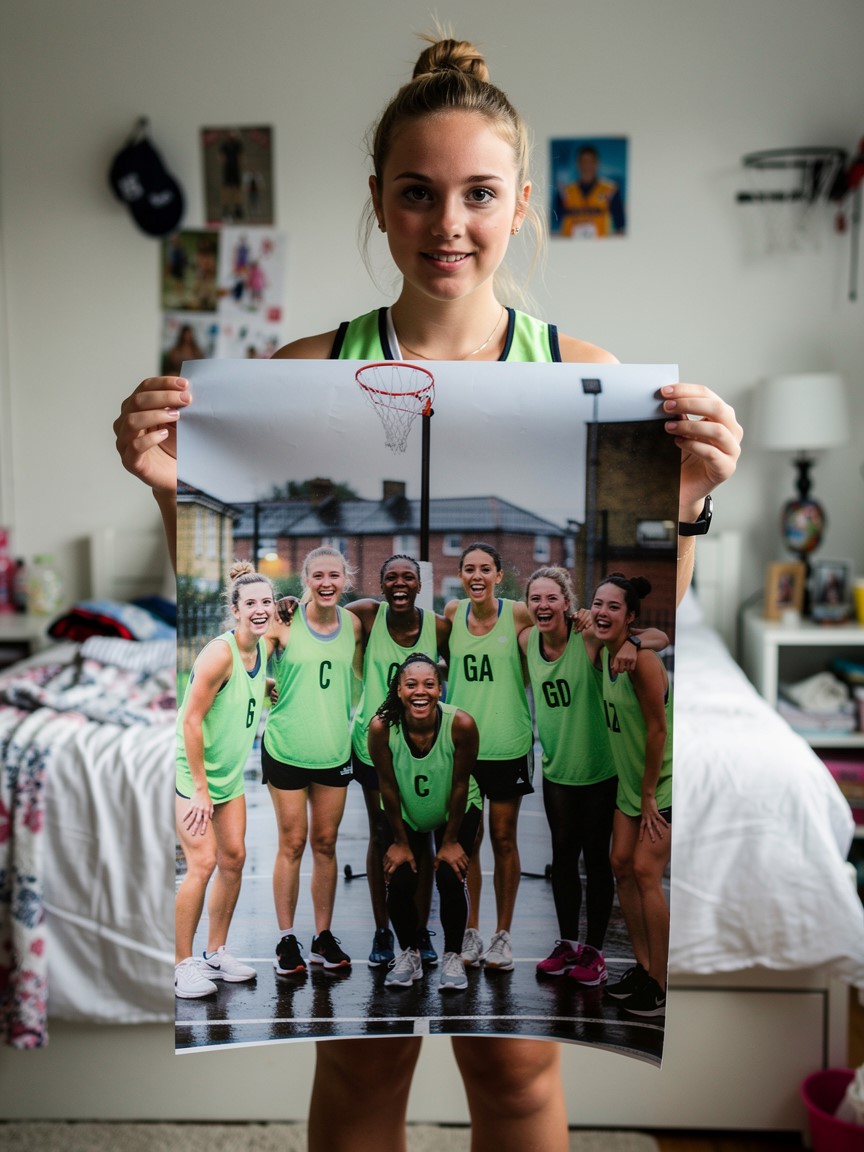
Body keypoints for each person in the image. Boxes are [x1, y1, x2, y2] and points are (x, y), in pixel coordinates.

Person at [115, 32, 741, 1152]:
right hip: (377, 762)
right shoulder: (302, 375)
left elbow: (641, 616)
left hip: (488, 752)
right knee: (361, 1072)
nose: (448, 223)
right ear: (379, 202)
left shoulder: (586, 374)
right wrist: (174, 487)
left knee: (516, 1078)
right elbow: (224, 583)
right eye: (418, 194)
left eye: (478, 193)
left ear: (522, 203)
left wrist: (686, 499)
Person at [518, 567, 668, 985]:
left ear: (568, 604)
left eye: (552, 598)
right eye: (536, 598)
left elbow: (661, 637)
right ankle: (567, 944)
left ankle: (595, 952)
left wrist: (635, 642)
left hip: (601, 772)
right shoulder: (527, 640)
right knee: (563, 861)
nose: (543, 605)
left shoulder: (587, 639)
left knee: (599, 864)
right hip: (558, 771)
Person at [343, 553, 451, 968]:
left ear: (420, 584)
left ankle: (420, 931)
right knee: (381, 834)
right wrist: (292, 605)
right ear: (382, 584)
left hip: (422, 744)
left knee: (421, 836)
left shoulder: (438, 626)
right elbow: (323, 617)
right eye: (392, 577)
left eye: (409, 576)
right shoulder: (368, 615)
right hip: (375, 744)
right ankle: (383, 930)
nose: (400, 583)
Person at [174, 561, 275, 999]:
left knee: (234, 858)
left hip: (229, 777)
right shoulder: (219, 652)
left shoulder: (262, 648)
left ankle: (216, 953)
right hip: (192, 775)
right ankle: (182, 965)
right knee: (203, 863)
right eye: (250, 603)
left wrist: (264, 685)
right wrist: (199, 789)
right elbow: (191, 721)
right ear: (234, 610)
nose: (260, 609)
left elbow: (239, 688)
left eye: (266, 602)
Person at [262, 546, 363, 974]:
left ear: (346, 580)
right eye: (318, 575)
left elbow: (367, 672)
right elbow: (248, 664)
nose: (326, 583)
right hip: (286, 748)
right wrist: (266, 679)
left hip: (333, 751)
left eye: (334, 576)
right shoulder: (284, 622)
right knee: (292, 844)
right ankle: (287, 940)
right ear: (305, 579)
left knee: (325, 844)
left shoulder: (354, 625)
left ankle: (322, 937)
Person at [368, 653, 481, 993]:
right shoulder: (382, 727)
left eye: (429, 684)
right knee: (399, 878)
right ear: (399, 691)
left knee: (450, 874)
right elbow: (387, 786)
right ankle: (409, 952)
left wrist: (449, 842)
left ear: (440, 689)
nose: (421, 692)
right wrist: (400, 842)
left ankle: (452, 955)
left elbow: (461, 784)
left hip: (454, 808)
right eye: (412, 685)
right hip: (406, 810)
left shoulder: (461, 724)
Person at [444, 543, 533, 973]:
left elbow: (561, 634)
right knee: (468, 842)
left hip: (508, 744)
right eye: (469, 569)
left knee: (502, 839)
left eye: (485, 569)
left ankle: (503, 935)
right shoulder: (452, 613)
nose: (476, 576)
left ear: (499, 575)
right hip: (464, 749)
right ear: (461, 575)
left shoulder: (518, 613)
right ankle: (471, 930)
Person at [591, 573, 673, 1018]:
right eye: (598, 603)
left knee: (645, 872)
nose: (603, 612)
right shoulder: (606, 650)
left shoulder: (641, 660)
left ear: (630, 617)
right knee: (620, 865)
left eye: (614, 606)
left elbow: (658, 731)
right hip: (631, 780)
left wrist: (646, 795)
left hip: (660, 781)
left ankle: (661, 985)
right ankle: (643, 969)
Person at [554, 144, 625, 238]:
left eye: (590, 161)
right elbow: (554, 223)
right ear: (577, 163)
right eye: (583, 161)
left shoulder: (610, 190)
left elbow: (620, 225)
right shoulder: (565, 191)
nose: (586, 165)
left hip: (601, 246)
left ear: (597, 163)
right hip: (570, 247)